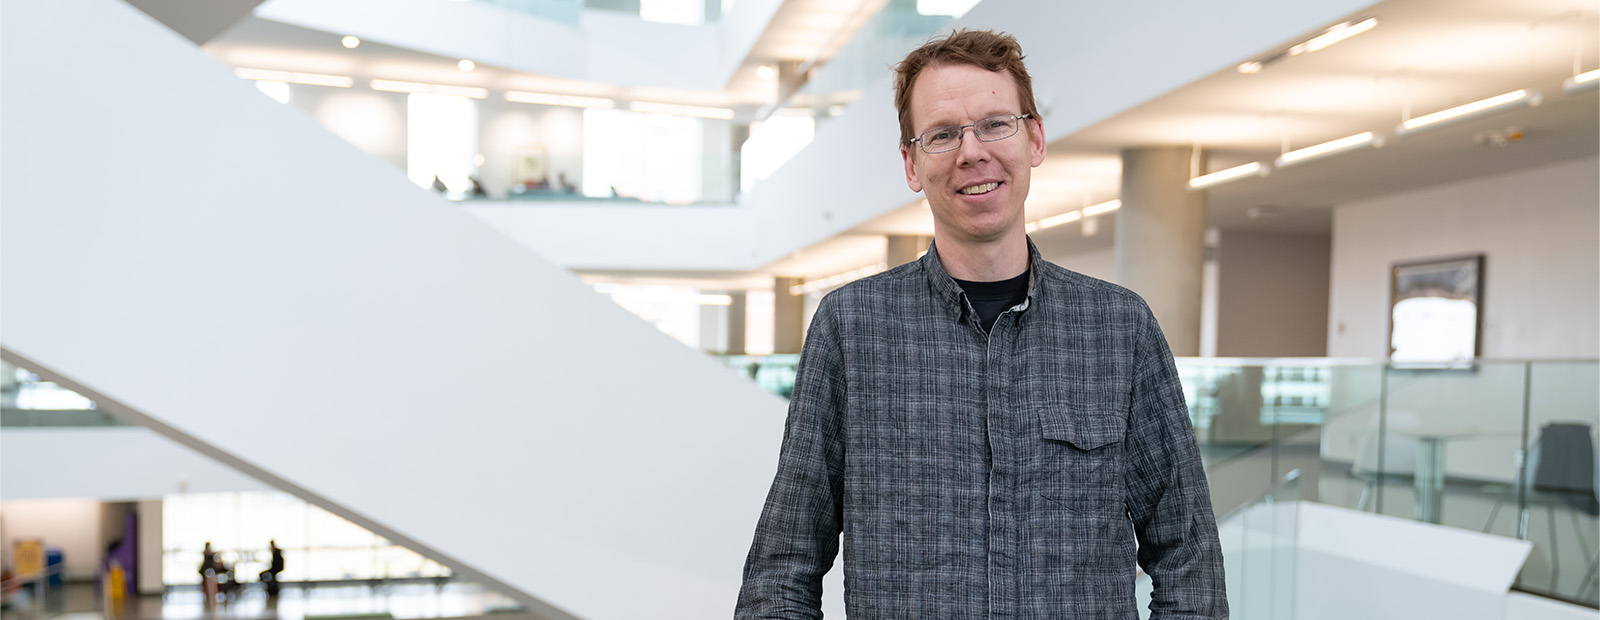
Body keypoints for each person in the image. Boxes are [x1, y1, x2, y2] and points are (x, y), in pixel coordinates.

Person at [734, 30, 1227, 619]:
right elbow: (782, 569)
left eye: (996, 124)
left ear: (1035, 138)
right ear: (912, 164)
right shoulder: (851, 329)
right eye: (942, 134)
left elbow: (1189, 560)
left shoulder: (1119, 329)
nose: (972, 151)